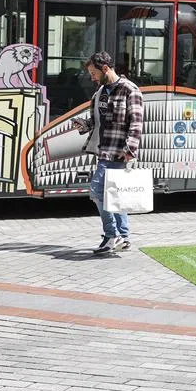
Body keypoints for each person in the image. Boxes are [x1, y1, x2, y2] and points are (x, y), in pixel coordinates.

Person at [71, 51, 144, 254]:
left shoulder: (130, 90)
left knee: (96, 191)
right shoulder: (100, 92)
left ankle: (112, 235)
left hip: (118, 153)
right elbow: (95, 122)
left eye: (94, 73)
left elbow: (136, 123)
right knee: (115, 195)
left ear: (105, 69)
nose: (92, 78)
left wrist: (130, 149)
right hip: (103, 150)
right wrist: (82, 125)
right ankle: (124, 237)